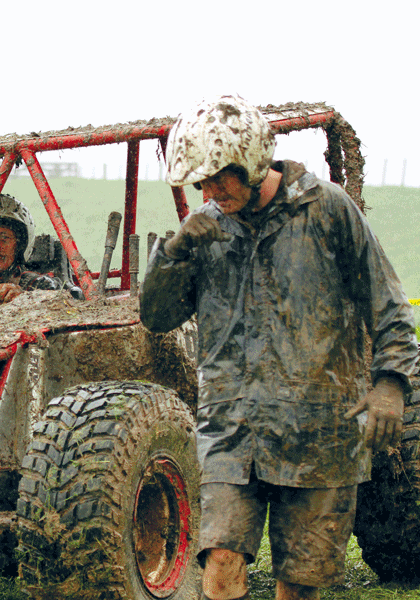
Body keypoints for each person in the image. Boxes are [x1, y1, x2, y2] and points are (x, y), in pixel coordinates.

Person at [140, 95, 418, 600]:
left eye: (218, 178)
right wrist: (175, 253)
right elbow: (157, 318)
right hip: (232, 428)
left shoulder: (328, 209)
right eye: (200, 182)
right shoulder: (207, 229)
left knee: (299, 582)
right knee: (220, 560)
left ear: (251, 159)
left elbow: (389, 305)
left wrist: (390, 385)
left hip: (322, 430)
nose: (209, 191)